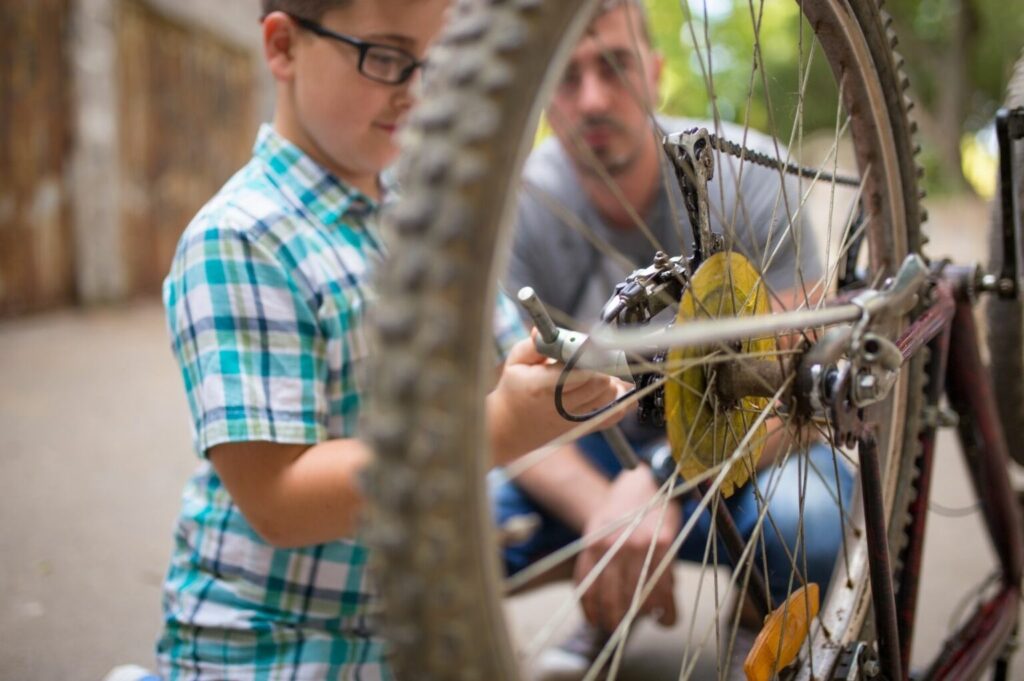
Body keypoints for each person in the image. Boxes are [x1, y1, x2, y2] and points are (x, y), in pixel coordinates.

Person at [156, 2, 625, 679]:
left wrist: (564, 371)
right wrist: (493, 427)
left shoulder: (412, 210)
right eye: (384, 56)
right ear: (284, 47)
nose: (415, 90)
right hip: (273, 642)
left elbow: (500, 354)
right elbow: (279, 501)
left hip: (404, 621)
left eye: (435, 64)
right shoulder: (239, 236)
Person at [493, 0, 854, 676]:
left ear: (655, 74)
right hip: (591, 461)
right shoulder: (518, 209)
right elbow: (502, 407)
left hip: (743, 458)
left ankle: (758, 608)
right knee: (458, 517)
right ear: (543, 100)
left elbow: (801, 382)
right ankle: (605, 594)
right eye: (567, 78)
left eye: (615, 66)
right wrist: (610, 509)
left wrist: (659, 484)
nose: (593, 98)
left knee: (815, 520)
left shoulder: (750, 174)